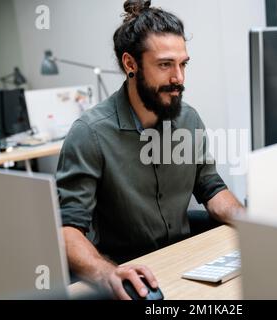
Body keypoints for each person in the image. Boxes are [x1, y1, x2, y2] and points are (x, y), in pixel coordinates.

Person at [56, 0, 244, 300]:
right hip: (127, 272)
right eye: (165, 65)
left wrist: (254, 223)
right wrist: (106, 273)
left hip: (184, 263)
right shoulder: (90, 133)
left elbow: (211, 187)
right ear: (131, 64)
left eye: (183, 64)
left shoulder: (188, 119)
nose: (178, 78)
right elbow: (68, 229)